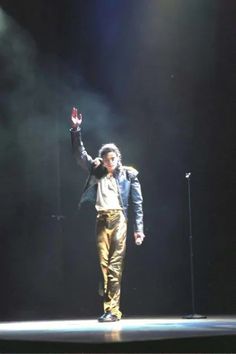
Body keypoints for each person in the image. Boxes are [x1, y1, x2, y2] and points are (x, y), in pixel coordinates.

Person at [70, 107, 145, 322]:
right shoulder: (97, 170)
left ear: (118, 158)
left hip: (119, 219)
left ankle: (113, 310)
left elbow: (137, 203)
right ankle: (109, 308)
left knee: (115, 264)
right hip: (101, 220)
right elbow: (79, 155)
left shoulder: (129, 175)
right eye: (106, 159)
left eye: (112, 159)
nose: (109, 163)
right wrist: (76, 129)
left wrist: (138, 230)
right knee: (104, 265)